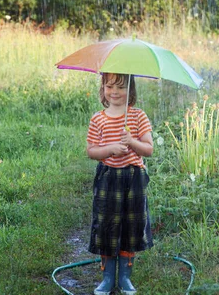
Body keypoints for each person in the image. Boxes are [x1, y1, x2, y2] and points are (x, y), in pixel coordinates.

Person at [86, 73, 154, 295]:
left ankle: (125, 278)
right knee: (106, 224)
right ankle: (107, 278)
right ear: (103, 88)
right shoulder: (98, 118)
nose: (114, 91)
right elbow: (91, 151)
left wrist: (132, 142)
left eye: (121, 86)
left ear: (131, 90)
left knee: (131, 226)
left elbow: (149, 149)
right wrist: (110, 149)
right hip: (108, 177)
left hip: (133, 177)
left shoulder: (137, 116)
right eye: (109, 86)